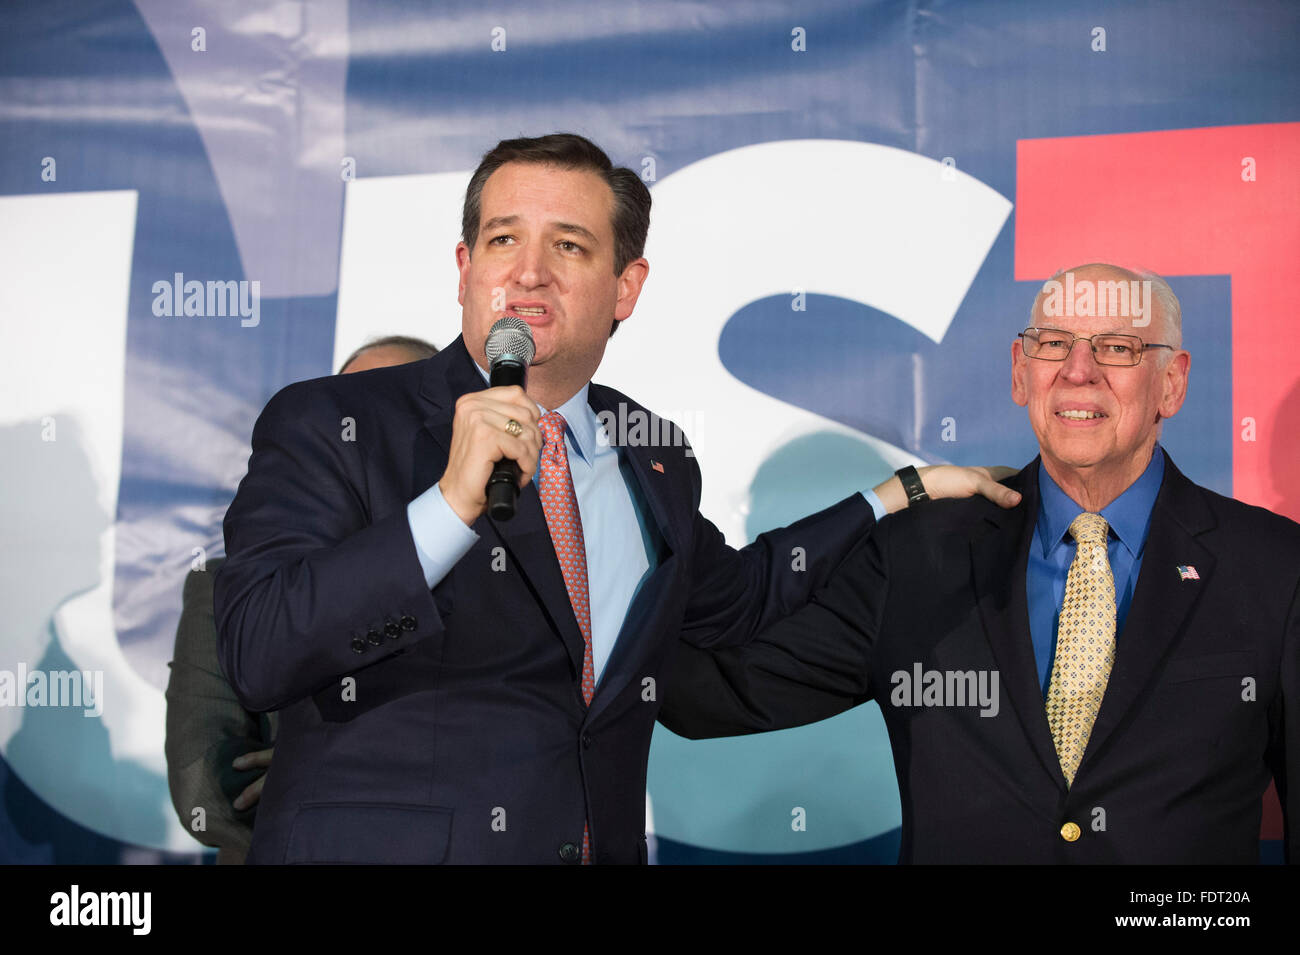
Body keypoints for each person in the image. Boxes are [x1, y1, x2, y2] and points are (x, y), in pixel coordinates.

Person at [213, 132, 1018, 864]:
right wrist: (448, 507)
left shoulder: (652, 449)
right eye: (503, 240)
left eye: (568, 244)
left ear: (624, 288)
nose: (529, 271)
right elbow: (261, 650)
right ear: (465, 270)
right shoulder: (337, 421)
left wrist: (894, 494)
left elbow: (737, 600)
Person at [661, 263, 1300, 864]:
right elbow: (709, 696)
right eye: (1053, 344)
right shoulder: (920, 553)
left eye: (1116, 347)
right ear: (1021, 372)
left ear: (1173, 382)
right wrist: (598, 517)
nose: (1079, 372)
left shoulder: (1275, 568)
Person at [166, 335, 438, 864]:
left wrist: (311, 774)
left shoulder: (501, 582)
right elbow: (204, 791)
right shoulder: (227, 589)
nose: (357, 432)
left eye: (385, 412)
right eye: (344, 412)